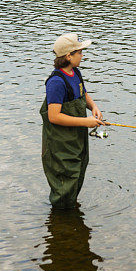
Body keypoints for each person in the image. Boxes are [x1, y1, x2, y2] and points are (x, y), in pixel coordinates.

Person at [39, 33, 106, 209]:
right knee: (64, 185)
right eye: (80, 52)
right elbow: (54, 116)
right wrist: (86, 122)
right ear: (69, 56)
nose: (82, 55)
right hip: (61, 145)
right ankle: (61, 222)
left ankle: (70, 217)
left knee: (77, 176)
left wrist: (93, 107)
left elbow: (82, 93)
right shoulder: (56, 82)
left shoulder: (75, 72)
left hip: (76, 141)